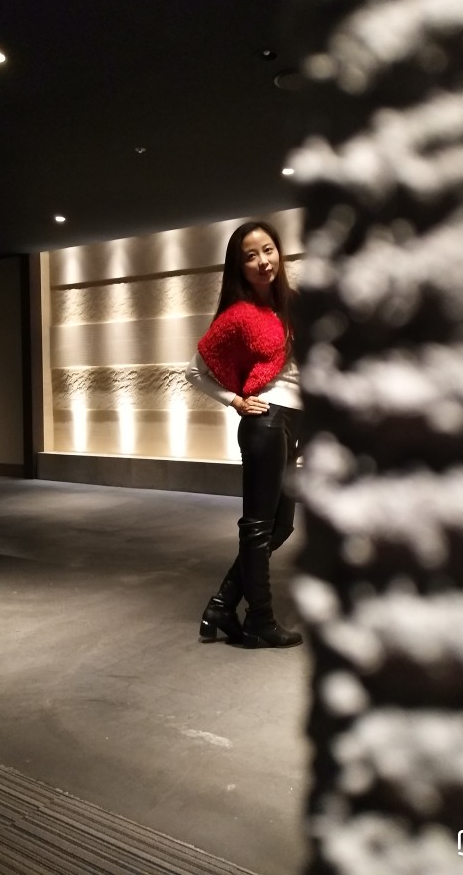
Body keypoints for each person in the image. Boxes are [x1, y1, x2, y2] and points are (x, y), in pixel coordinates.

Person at [185, 220, 303, 648]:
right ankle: (259, 619)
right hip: (266, 420)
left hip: (294, 423)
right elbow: (194, 371)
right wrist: (235, 400)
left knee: (281, 526)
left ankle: (222, 604)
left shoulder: (293, 304)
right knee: (257, 526)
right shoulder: (238, 315)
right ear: (240, 267)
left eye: (268, 250)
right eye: (250, 256)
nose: (263, 261)